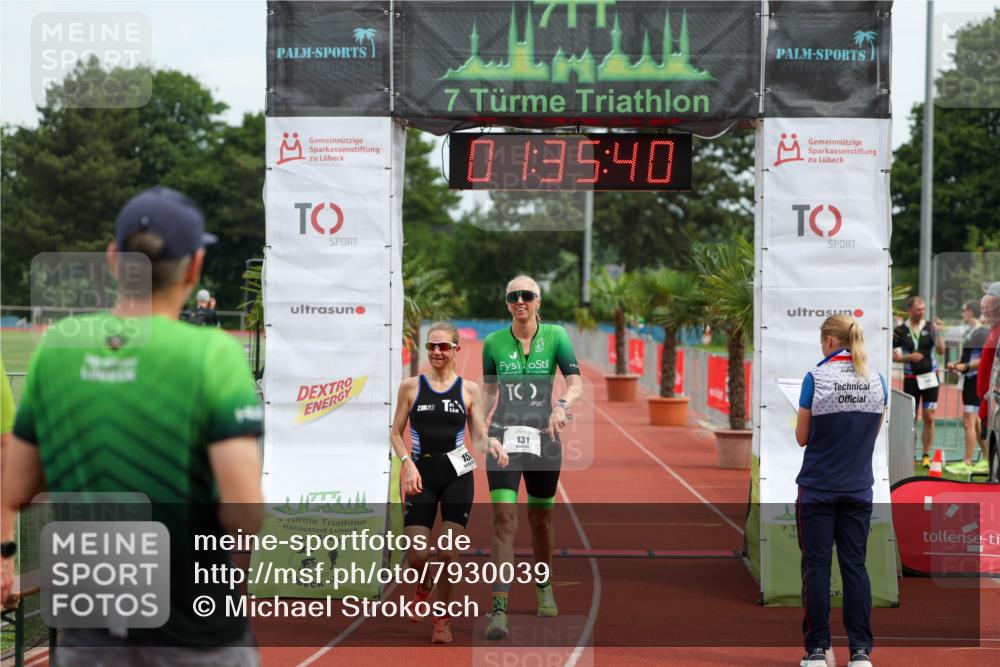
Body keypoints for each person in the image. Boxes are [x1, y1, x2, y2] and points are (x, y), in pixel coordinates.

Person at [0, 187, 264, 665]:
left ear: (113, 261)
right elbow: (243, 515)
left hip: (90, 634)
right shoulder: (214, 354)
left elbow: (16, 485)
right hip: (195, 630)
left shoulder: (57, 347)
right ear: (194, 266)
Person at [390, 322, 507, 644]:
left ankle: (441, 619)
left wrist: (492, 444)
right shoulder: (410, 387)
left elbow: (479, 436)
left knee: (448, 553)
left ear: (457, 349)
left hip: (458, 474)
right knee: (416, 554)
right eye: (432, 347)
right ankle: (423, 584)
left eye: (443, 346)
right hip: (420, 474)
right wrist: (407, 464)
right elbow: (394, 432)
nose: (437, 352)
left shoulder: (468, 390)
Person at [480, 275, 583, 640]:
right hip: (503, 440)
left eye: (527, 295)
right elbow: (489, 394)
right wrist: (477, 427)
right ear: (507, 303)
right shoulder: (492, 342)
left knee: (541, 521)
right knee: (503, 521)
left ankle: (543, 586)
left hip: (545, 439)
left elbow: (575, 384)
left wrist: (561, 407)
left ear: (538, 301)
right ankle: (499, 606)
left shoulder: (556, 336)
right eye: (513, 296)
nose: (520, 301)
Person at [795, 314, 886, 667]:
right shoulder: (876, 381)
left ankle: (817, 650)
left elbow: (802, 437)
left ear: (830, 342)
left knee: (816, 569)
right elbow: (870, 437)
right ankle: (861, 652)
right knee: (855, 568)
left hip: (818, 488)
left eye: (822, 341)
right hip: (858, 488)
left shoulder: (815, 378)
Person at [892, 296, 944, 467]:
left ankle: (926, 455)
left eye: (923, 309)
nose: (922, 312)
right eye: (918, 309)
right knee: (910, 419)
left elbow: (941, 351)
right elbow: (895, 357)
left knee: (929, 417)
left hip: (930, 378)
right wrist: (909, 357)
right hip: (911, 379)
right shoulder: (899, 330)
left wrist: (939, 332)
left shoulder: (930, 327)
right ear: (910, 310)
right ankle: (911, 455)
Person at [944, 300, 989, 476]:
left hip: (975, 380)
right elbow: (969, 358)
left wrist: (966, 367)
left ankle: (967, 462)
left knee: (969, 422)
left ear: (970, 312)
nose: (962, 314)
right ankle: (986, 459)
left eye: (963, 311)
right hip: (970, 380)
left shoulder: (982, 332)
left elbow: (985, 358)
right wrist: (956, 364)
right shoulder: (973, 332)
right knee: (975, 423)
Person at [976, 291, 1000, 453]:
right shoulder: (992, 330)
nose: (984, 311)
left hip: (993, 396)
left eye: (988, 307)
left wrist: (993, 387)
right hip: (988, 397)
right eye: (982, 307)